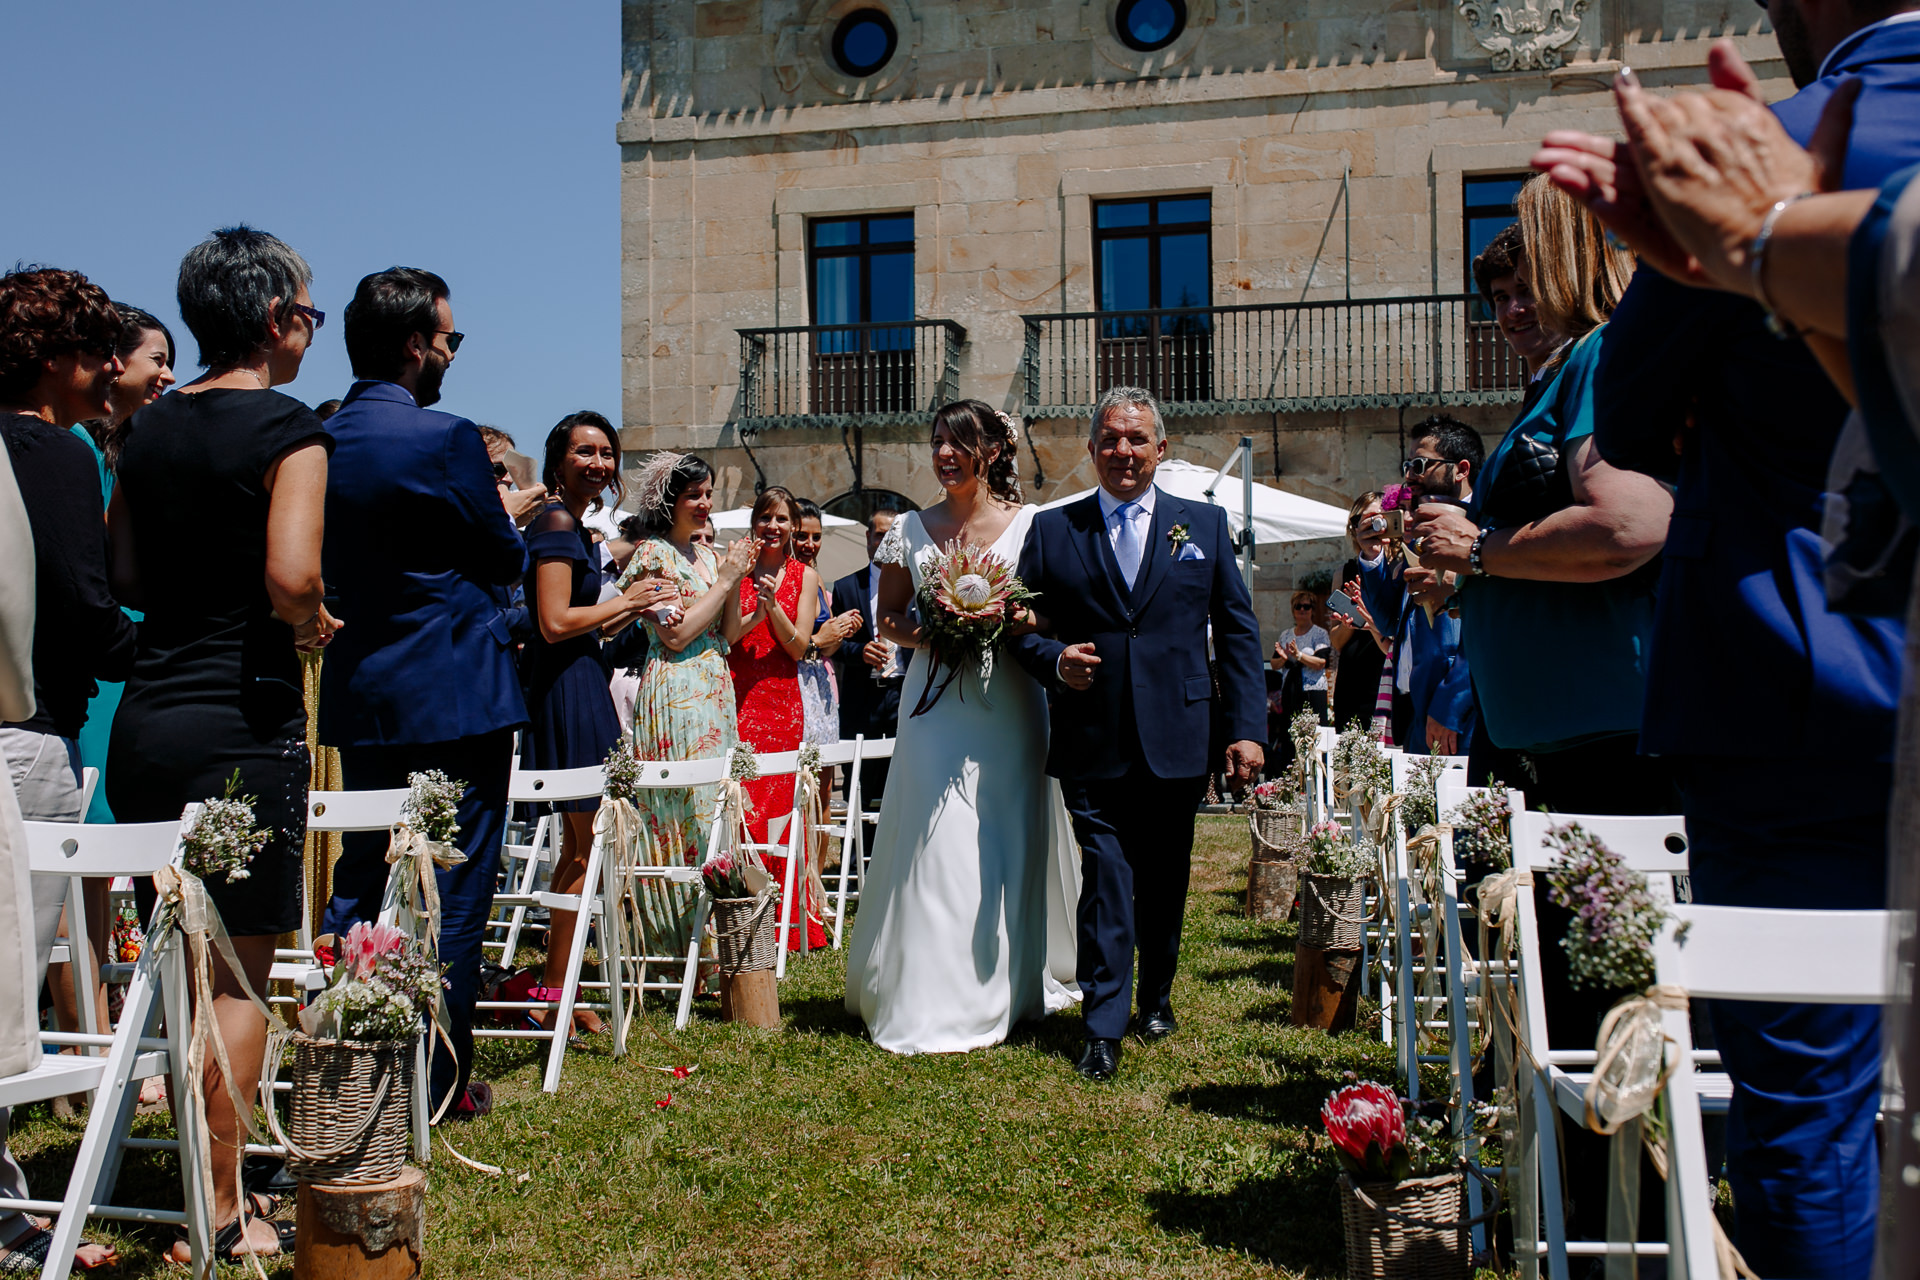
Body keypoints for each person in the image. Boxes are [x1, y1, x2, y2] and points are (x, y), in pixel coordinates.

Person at [1534, 21, 1920, 1270]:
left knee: (1807, 1105)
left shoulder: (1763, 144)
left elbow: (1635, 417)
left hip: (1794, 683)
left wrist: (1754, 257)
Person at [109, 226, 334, 1263]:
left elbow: (126, 575)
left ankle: (188, 1165)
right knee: (238, 974)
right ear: (279, 320)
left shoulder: (145, 427)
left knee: (177, 964)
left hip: (149, 719)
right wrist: (311, 620)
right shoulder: (289, 428)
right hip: (241, 721)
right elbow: (292, 575)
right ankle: (226, 1202)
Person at [317, 267, 544, 1118]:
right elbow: (502, 555)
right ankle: (436, 1081)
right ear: (416, 345)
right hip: (457, 690)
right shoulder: (444, 438)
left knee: (362, 872)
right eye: (449, 339)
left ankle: (348, 1061)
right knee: (453, 884)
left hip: (366, 689)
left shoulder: (322, 438)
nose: (451, 353)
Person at [1007, 386, 1266, 1081]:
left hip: (1180, 731)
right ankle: (1102, 1022)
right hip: (1093, 736)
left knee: (1164, 874)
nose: (1125, 451)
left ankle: (1156, 996)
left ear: (1161, 449)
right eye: (1111, 439)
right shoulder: (1054, 531)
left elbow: (1238, 632)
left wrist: (1247, 729)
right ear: (1092, 450)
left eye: (1138, 439)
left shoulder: (1204, 527)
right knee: (1108, 877)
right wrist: (1054, 661)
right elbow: (1015, 626)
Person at [1408, 179, 1675, 813]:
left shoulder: (1595, 354)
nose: (1512, 311)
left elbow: (1627, 527)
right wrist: (1471, 575)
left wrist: (1478, 553)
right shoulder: (1557, 379)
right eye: (1500, 297)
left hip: (1605, 729)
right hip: (1558, 732)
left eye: (1528, 289)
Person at [845, 400, 1080, 1053]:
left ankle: (1006, 984)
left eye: (959, 441)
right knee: (936, 838)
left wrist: (1002, 623)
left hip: (1009, 704)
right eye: (937, 441)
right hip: (934, 706)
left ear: (993, 451)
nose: (944, 453)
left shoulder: (1032, 526)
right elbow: (888, 616)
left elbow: (1050, 614)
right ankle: (928, 990)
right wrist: (932, 635)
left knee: (1002, 836)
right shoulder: (911, 530)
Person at [0, 266, 129, 1273]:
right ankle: (5, 1211)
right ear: (53, 359)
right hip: (25, 732)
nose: (111, 368)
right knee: (7, 986)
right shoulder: (51, 449)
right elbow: (83, 606)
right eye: (95, 349)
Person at [519, 411, 666, 1032]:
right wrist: (626, 599)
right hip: (567, 690)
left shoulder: (577, 530)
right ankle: (560, 993)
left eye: (607, 453)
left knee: (580, 847)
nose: (598, 463)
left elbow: (587, 625)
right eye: (584, 452)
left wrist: (633, 610)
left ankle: (561, 986)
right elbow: (552, 622)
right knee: (583, 846)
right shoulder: (554, 522)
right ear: (557, 461)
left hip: (584, 679)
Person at [619, 452, 754, 955]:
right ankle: (675, 945)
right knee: (681, 812)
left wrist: (738, 582)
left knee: (716, 808)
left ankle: (720, 940)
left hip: (716, 688)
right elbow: (674, 637)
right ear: (668, 502)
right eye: (693, 495)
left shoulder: (710, 557)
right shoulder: (653, 555)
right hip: (675, 690)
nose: (703, 503)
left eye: (708, 493)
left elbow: (729, 633)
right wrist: (723, 582)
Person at [723, 486, 827, 949]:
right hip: (740, 695)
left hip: (782, 701)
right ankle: (743, 911)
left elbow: (801, 646)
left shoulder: (804, 575)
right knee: (743, 806)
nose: (774, 527)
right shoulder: (736, 570)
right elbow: (727, 635)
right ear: (754, 523)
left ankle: (786, 923)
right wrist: (749, 601)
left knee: (781, 810)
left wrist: (772, 607)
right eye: (767, 518)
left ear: (792, 528)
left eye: (783, 520)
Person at [1365, 416, 1478, 755]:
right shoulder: (1418, 539)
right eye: (1407, 464)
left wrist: (1451, 704)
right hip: (1416, 708)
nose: (1409, 475)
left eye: (1420, 464)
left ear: (1460, 469)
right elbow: (1389, 623)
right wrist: (1372, 555)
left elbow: (1490, 627)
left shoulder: (1485, 527)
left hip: (1461, 711)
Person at [829, 506, 904, 807]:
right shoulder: (847, 586)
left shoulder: (914, 583)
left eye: (892, 536)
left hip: (903, 692)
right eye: (880, 535)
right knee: (860, 779)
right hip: (862, 696)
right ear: (868, 537)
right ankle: (858, 850)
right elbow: (832, 644)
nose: (885, 542)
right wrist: (859, 651)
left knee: (902, 776)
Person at [791, 498, 861, 750]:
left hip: (820, 682)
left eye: (817, 537)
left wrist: (841, 630)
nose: (810, 545)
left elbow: (829, 648)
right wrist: (819, 640)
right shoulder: (777, 578)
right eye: (801, 536)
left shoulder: (816, 578)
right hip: (790, 683)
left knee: (823, 776)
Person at [1329, 493, 1391, 732]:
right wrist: (1351, 618)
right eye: (1358, 520)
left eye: (1373, 518)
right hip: (1352, 678)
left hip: (1385, 673)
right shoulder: (1344, 572)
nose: (1365, 526)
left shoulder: (1399, 567)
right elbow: (1336, 641)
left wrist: (1371, 615)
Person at [1267, 590, 1329, 770]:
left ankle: (1318, 776)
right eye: (1298, 607)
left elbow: (1321, 662)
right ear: (1293, 611)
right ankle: (1292, 777)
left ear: (1312, 610)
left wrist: (1299, 655)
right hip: (1291, 691)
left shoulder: (1319, 634)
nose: (1302, 610)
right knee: (1291, 735)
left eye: (1306, 607)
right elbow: (1274, 664)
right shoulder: (1286, 635)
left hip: (1313, 690)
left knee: (1315, 735)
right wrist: (1285, 658)